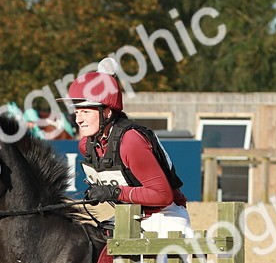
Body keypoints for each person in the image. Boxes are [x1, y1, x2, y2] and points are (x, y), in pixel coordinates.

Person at [67, 59, 189, 237]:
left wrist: (114, 192)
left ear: (107, 112)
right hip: (129, 217)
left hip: (165, 216)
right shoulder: (86, 145)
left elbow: (163, 196)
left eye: (86, 112)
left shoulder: (130, 141)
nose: (79, 119)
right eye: (77, 112)